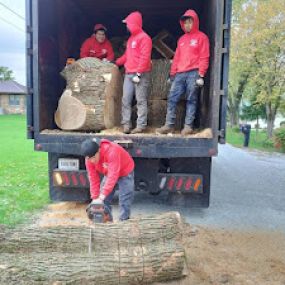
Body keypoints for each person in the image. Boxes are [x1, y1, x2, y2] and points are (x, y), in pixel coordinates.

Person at [156, 10, 210, 136]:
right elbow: (177, 58)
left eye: (190, 22)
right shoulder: (181, 39)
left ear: (195, 22)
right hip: (180, 74)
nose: (187, 25)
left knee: (191, 99)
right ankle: (169, 125)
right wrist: (172, 74)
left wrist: (201, 74)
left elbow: (204, 57)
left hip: (194, 73)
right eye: (185, 23)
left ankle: (188, 126)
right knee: (172, 98)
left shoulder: (202, 37)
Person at [116, 11, 152, 134]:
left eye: (128, 24)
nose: (127, 26)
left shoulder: (145, 38)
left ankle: (141, 125)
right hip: (129, 73)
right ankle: (126, 124)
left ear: (134, 24)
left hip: (140, 74)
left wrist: (138, 73)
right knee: (125, 99)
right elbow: (127, 56)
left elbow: (145, 57)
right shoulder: (131, 38)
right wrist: (116, 62)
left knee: (141, 100)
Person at [81, 138, 135, 221]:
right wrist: (95, 198)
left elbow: (113, 176)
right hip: (109, 172)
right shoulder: (89, 160)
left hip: (125, 171)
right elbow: (93, 178)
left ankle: (123, 223)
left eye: (94, 157)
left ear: (99, 150)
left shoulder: (112, 151)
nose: (92, 161)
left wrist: (102, 196)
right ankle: (107, 222)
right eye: (89, 159)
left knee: (124, 200)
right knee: (104, 201)